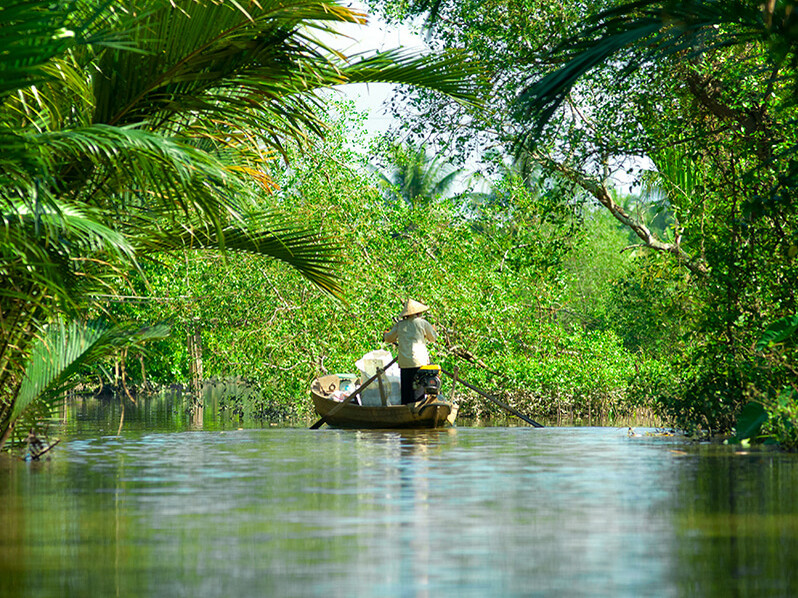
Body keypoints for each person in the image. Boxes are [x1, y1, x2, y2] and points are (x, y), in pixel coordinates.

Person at [383, 299, 438, 404]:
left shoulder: (400, 325)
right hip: (419, 363)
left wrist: (385, 334)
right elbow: (433, 338)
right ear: (418, 313)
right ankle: (418, 411)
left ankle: (406, 411)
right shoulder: (422, 323)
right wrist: (433, 330)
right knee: (418, 392)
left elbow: (389, 338)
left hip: (405, 363)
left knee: (407, 392)